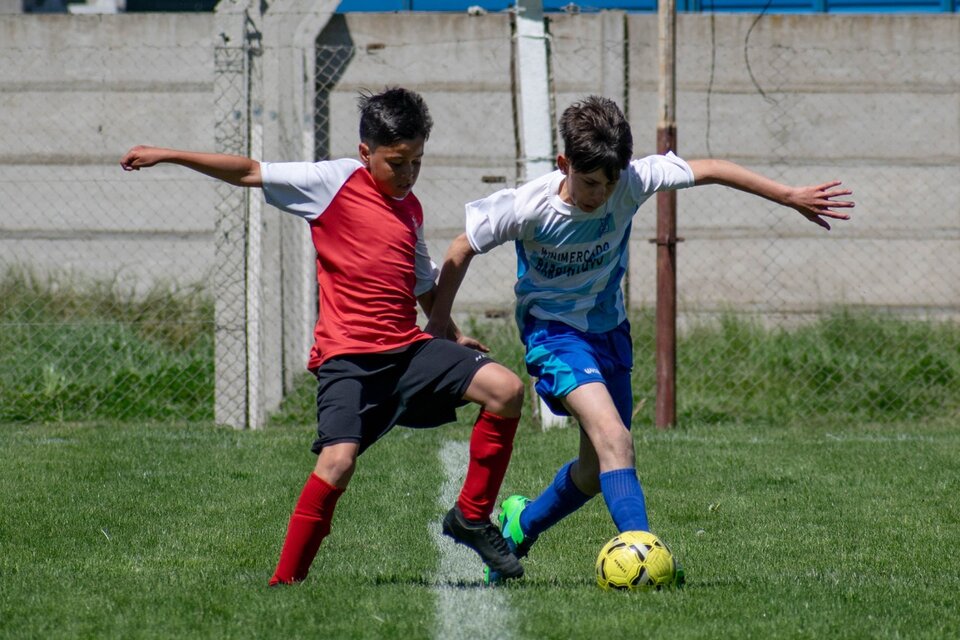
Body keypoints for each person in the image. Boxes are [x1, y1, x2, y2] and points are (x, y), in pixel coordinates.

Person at [425, 95, 854, 583]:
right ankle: (647, 559)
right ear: (564, 164)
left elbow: (710, 168)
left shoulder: (630, 181)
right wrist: (441, 325)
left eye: (609, 184)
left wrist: (788, 196)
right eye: (589, 182)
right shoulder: (528, 207)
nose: (600, 194)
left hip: (610, 333)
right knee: (615, 438)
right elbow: (461, 248)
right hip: (554, 336)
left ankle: (521, 524)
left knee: (594, 470)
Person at [120, 87, 527, 585]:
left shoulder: (411, 208)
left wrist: (452, 332)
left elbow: (421, 281)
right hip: (349, 361)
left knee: (505, 389)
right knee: (337, 464)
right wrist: (170, 155)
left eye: (417, 162)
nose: (408, 174)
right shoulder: (332, 182)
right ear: (365, 153)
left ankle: (470, 516)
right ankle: (285, 583)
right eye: (397, 163)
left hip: (406, 351)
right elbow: (250, 171)